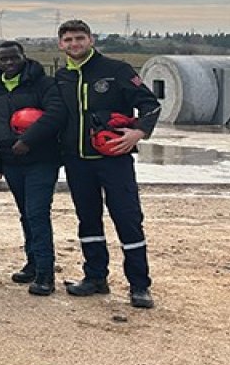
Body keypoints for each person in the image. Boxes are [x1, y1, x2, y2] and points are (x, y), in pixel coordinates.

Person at [54, 20, 160, 308]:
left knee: (127, 219)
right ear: (60, 44)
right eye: (68, 40)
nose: (74, 44)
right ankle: (95, 277)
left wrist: (139, 132)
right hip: (77, 162)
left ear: (91, 39)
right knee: (88, 219)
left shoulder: (117, 70)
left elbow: (151, 104)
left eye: (79, 38)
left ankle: (139, 285)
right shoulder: (62, 76)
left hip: (114, 160)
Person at [0, 40, 66, 295]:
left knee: (37, 214)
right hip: (12, 161)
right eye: (4, 59)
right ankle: (32, 263)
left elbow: (56, 114)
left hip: (41, 159)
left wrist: (28, 140)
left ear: (23, 56)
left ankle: (45, 274)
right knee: (25, 214)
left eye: (13, 57)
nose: (9, 63)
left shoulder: (43, 83)